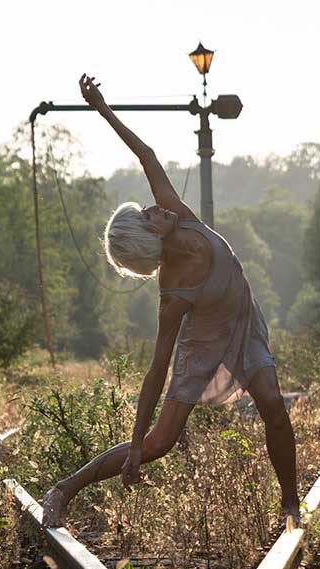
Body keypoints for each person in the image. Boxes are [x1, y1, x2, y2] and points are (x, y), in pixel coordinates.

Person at [40, 74, 299, 528]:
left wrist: (102, 108)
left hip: (243, 320)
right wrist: (137, 443)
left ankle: (291, 506)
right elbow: (157, 368)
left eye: (145, 210)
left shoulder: (176, 213)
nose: (151, 208)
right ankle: (64, 490)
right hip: (204, 340)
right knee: (161, 443)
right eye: (144, 218)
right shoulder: (173, 295)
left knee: (273, 404)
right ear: (147, 243)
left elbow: (146, 155)